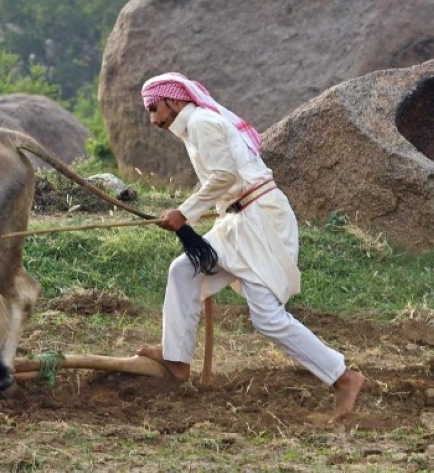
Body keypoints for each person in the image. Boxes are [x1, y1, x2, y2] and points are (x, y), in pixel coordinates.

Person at [135, 71, 365, 423]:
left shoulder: (201, 122)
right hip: (238, 222)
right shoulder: (195, 126)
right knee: (183, 269)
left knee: (268, 318)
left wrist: (184, 213)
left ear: (174, 99)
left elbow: (224, 176)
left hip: (260, 222)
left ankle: (343, 377)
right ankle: (176, 359)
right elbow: (227, 181)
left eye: (155, 109)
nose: (154, 120)